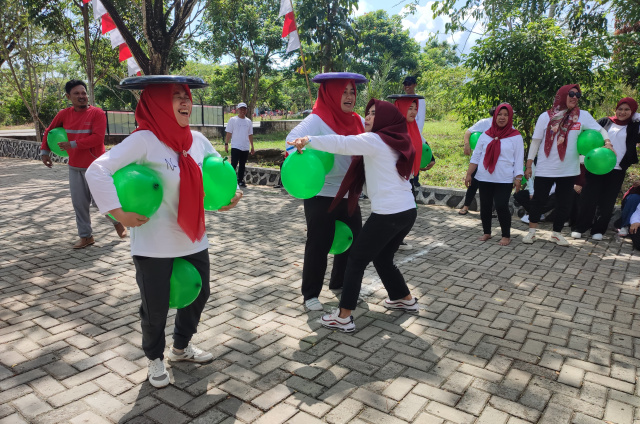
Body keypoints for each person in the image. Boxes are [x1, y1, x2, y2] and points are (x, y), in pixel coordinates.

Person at [86, 78, 243, 388]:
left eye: (186, 96)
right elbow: (97, 169)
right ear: (156, 103)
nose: (185, 102)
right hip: (153, 242)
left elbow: (218, 170)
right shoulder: (145, 140)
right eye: (175, 97)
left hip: (193, 236)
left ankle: (181, 348)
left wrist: (232, 194)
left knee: (198, 294)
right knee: (155, 306)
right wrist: (117, 212)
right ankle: (155, 358)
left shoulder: (196, 140)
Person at [288, 99, 418, 333]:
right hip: (407, 212)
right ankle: (403, 298)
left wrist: (310, 140)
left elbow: (343, 143)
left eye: (374, 114)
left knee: (356, 260)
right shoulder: (394, 141)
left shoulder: (375, 140)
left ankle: (344, 316)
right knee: (383, 258)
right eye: (367, 113)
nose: (367, 118)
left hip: (388, 214)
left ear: (386, 119)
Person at [285, 73, 366, 312]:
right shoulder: (317, 119)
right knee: (319, 244)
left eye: (352, 91)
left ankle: (340, 283)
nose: (349, 96)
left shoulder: (358, 120)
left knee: (353, 242)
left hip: (349, 192)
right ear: (331, 93)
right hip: (321, 193)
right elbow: (291, 141)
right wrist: (302, 150)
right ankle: (310, 294)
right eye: (344, 91)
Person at [40, 79, 126, 248]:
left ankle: (118, 223)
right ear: (68, 96)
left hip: (97, 167)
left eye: (83, 93)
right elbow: (49, 131)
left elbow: (97, 138)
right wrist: (44, 152)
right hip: (75, 167)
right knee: (79, 203)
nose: (82, 96)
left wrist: (72, 144)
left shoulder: (97, 114)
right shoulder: (64, 114)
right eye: (77, 93)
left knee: (100, 201)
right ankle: (86, 236)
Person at [523, 84, 612, 246]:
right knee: (538, 201)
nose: (575, 97)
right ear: (562, 94)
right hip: (545, 168)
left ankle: (556, 234)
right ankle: (532, 232)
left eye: (578, 95)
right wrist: (529, 165)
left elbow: (600, 130)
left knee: (565, 203)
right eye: (571, 93)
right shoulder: (546, 116)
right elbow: (535, 142)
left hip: (569, 169)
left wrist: (607, 142)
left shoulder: (582, 116)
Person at [571, 97, 640, 240]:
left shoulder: (634, 126)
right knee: (588, 198)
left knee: (607, 201)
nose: (622, 112)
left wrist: (636, 117)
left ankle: (598, 230)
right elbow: (590, 136)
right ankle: (580, 227)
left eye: (627, 109)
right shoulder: (605, 121)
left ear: (633, 111)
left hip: (617, 168)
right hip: (596, 166)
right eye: (620, 109)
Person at [465, 104, 524, 246]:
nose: (502, 117)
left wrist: (518, 178)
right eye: (499, 114)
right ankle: (487, 232)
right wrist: (469, 174)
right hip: (484, 176)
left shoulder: (515, 136)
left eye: (505, 115)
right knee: (485, 205)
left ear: (510, 117)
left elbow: (518, 159)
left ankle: (506, 235)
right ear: (495, 116)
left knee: (501, 205)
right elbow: (476, 156)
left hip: (504, 178)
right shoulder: (486, 135)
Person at [459, 106, 497, 215]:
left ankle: (490, 210)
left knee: (492, 186)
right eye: (499, 114)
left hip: (496, 162)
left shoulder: (508, 127)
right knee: (473, 183)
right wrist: (467, 145)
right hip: (480, 159)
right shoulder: (484, 122)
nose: (502, 117)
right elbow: (468, 132)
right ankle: (466, 206)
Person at [402, 76, 426, 187]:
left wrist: (417, 134)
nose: (407, 86)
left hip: (415, 131)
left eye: (409, 84)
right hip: (403, 132)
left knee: (418, 154)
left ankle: (415, 178)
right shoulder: (402, 99)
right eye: (405, 84)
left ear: (415, 85)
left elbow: (420, 118)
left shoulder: (420, 99)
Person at [225, 102, 255, 188]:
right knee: (234, 163)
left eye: (244, 109)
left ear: (246, 110)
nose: (243, 111)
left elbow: (250, 134)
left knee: (242, 164)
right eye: (241, 109)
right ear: (238, 110)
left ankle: (240, 180)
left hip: (245, 146)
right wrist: (226, 143)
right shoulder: (233, 120)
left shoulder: (248, 121)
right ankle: (229, 179)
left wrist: (252, 146)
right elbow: (229, 132)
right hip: (235, 146)